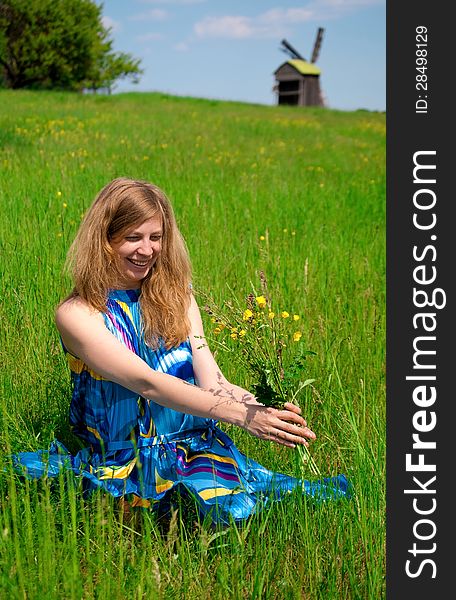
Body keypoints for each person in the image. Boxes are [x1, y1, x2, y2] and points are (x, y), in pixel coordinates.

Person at [13, 178, 350, 524]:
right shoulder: (78, 314)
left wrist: (260, 408)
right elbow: (148, 383)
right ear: (104, 240)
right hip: (128, 460)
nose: (147, 250)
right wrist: (242, 417)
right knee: (205, 513)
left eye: (155, 238)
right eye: (133, 238)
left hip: (199, 448)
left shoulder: (178, 295)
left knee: (282, 507)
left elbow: (213, 380)